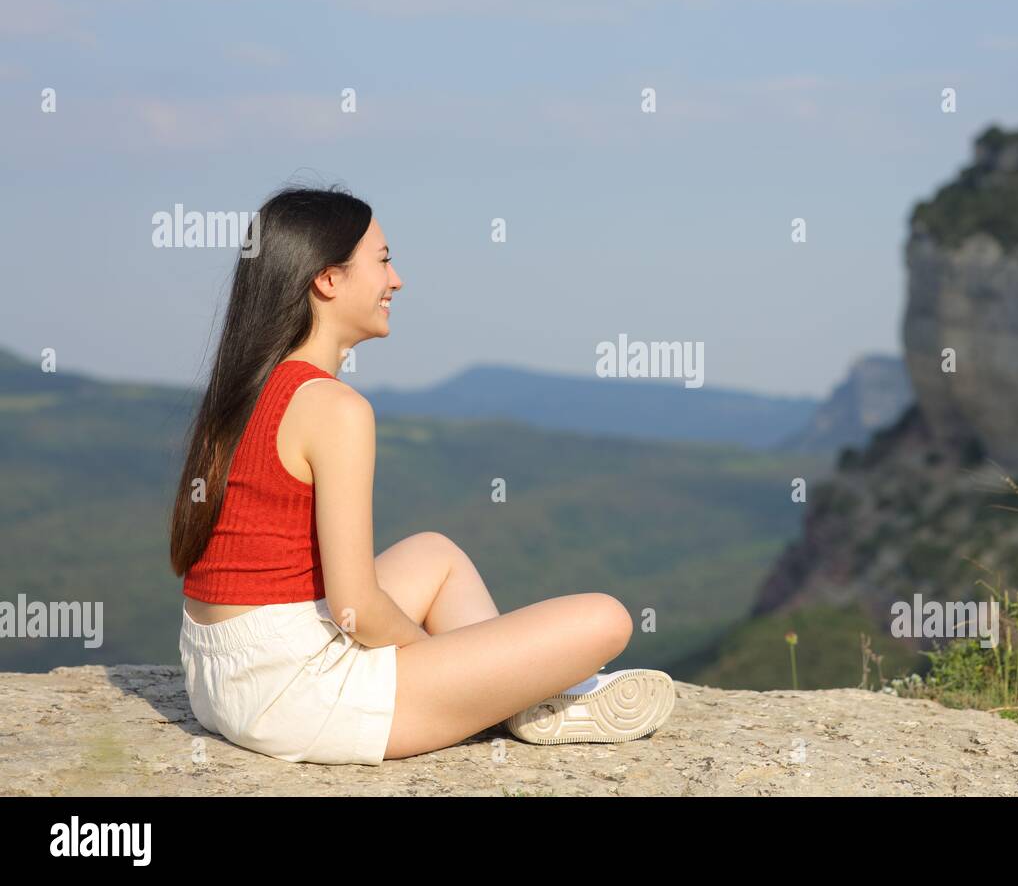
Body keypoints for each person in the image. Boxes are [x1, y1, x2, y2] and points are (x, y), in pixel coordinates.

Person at [168, 183, 674, 765]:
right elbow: (355, 604)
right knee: (606, 619)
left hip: (223, 676)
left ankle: (523, 699)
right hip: (296, 697)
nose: (396, 280)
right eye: (382, 261)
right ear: (327, 280)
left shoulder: (242, 390)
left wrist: (466, 665)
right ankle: (519, 699)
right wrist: (447, 660)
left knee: (437, 553)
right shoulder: (335, 408)